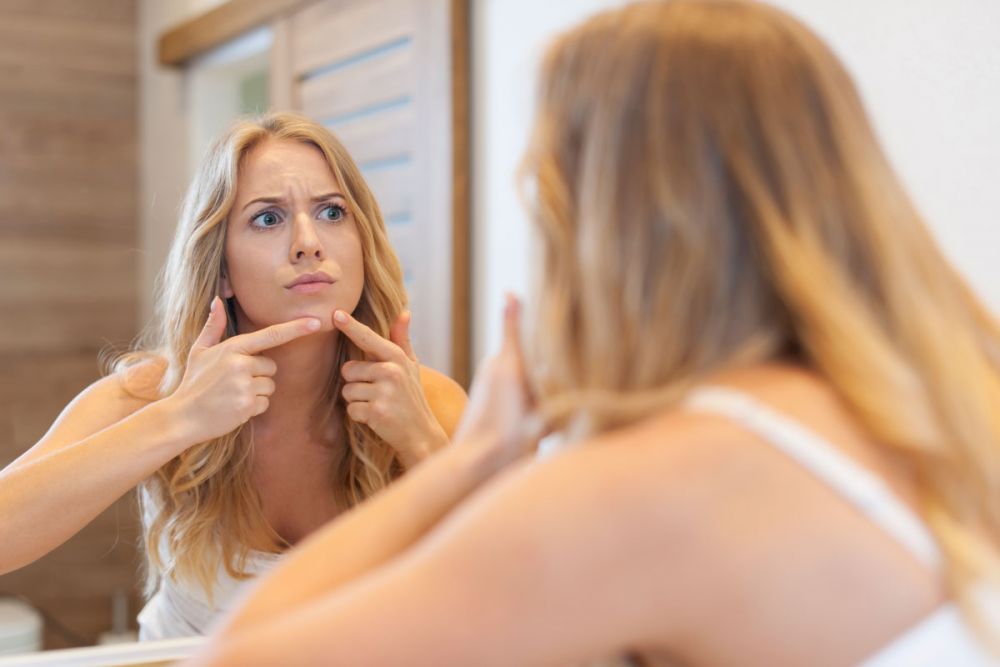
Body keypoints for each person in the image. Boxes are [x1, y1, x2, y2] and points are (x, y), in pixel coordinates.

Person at [188, 1, 1000, 664]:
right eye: (269, 218)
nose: (308, 242)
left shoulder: (652, 487)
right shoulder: (959, 397)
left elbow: (238, 656)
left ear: (607, 223)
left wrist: (469, 455)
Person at [0, 112, 467, 639]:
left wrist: (424, 447)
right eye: (268, 219)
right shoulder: (151, 395)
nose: (308, 242)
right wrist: (179, 418)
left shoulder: (427, 404)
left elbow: (511, 603)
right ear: (222, 270)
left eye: (332, 212)